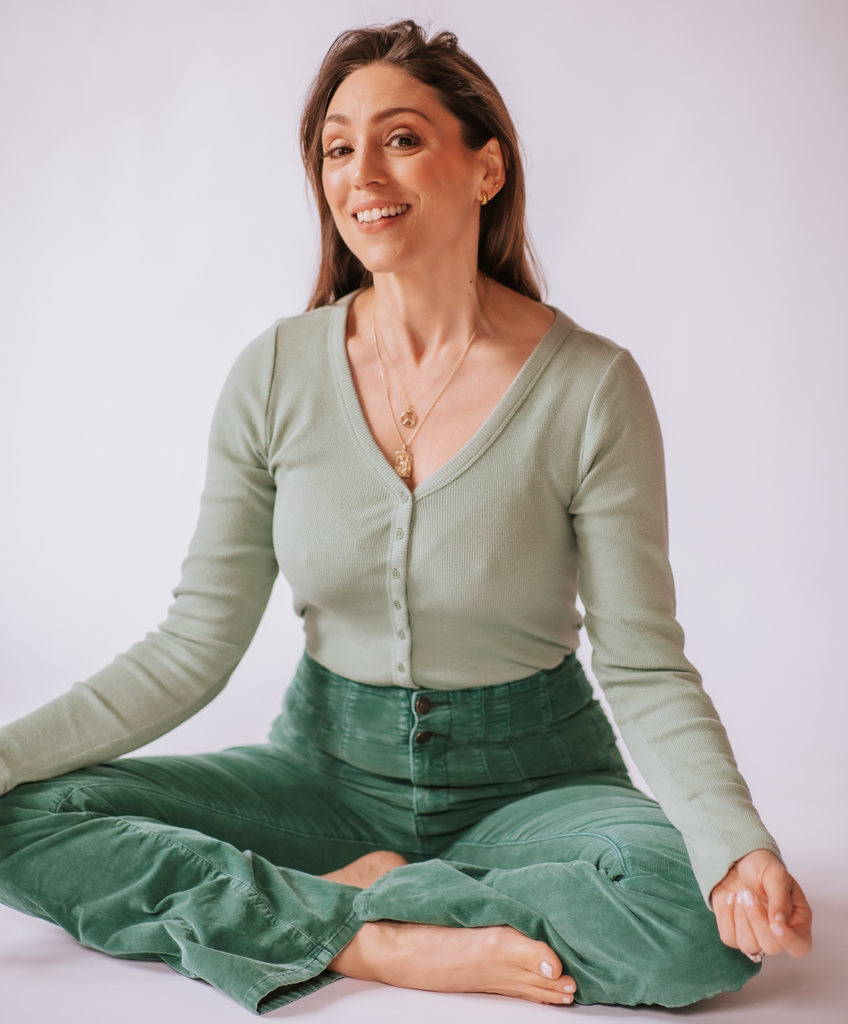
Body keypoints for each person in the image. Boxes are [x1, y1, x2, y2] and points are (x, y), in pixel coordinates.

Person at [0, 19, 812, 1013]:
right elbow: (190, 646)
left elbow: (641, 662)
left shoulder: (591, 387)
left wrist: (735, 847)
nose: (360, 171)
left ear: (485, 169)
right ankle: (374, 944)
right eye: (337, 147)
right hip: (322, 775)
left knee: (687, 924)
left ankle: (342, 910)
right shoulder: (273, 373)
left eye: (400, 137)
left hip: (535, 783)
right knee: (23, 812)